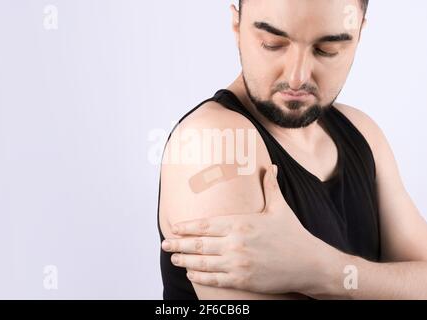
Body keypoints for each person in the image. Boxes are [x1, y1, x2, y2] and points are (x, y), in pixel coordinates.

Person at [158, 0, 427, 299]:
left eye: (327, 49)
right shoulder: (215, 142)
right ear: (237, 26)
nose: (297, 77)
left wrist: (324, 271)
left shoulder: (362, 131)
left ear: (359, 34)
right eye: (272, 44)